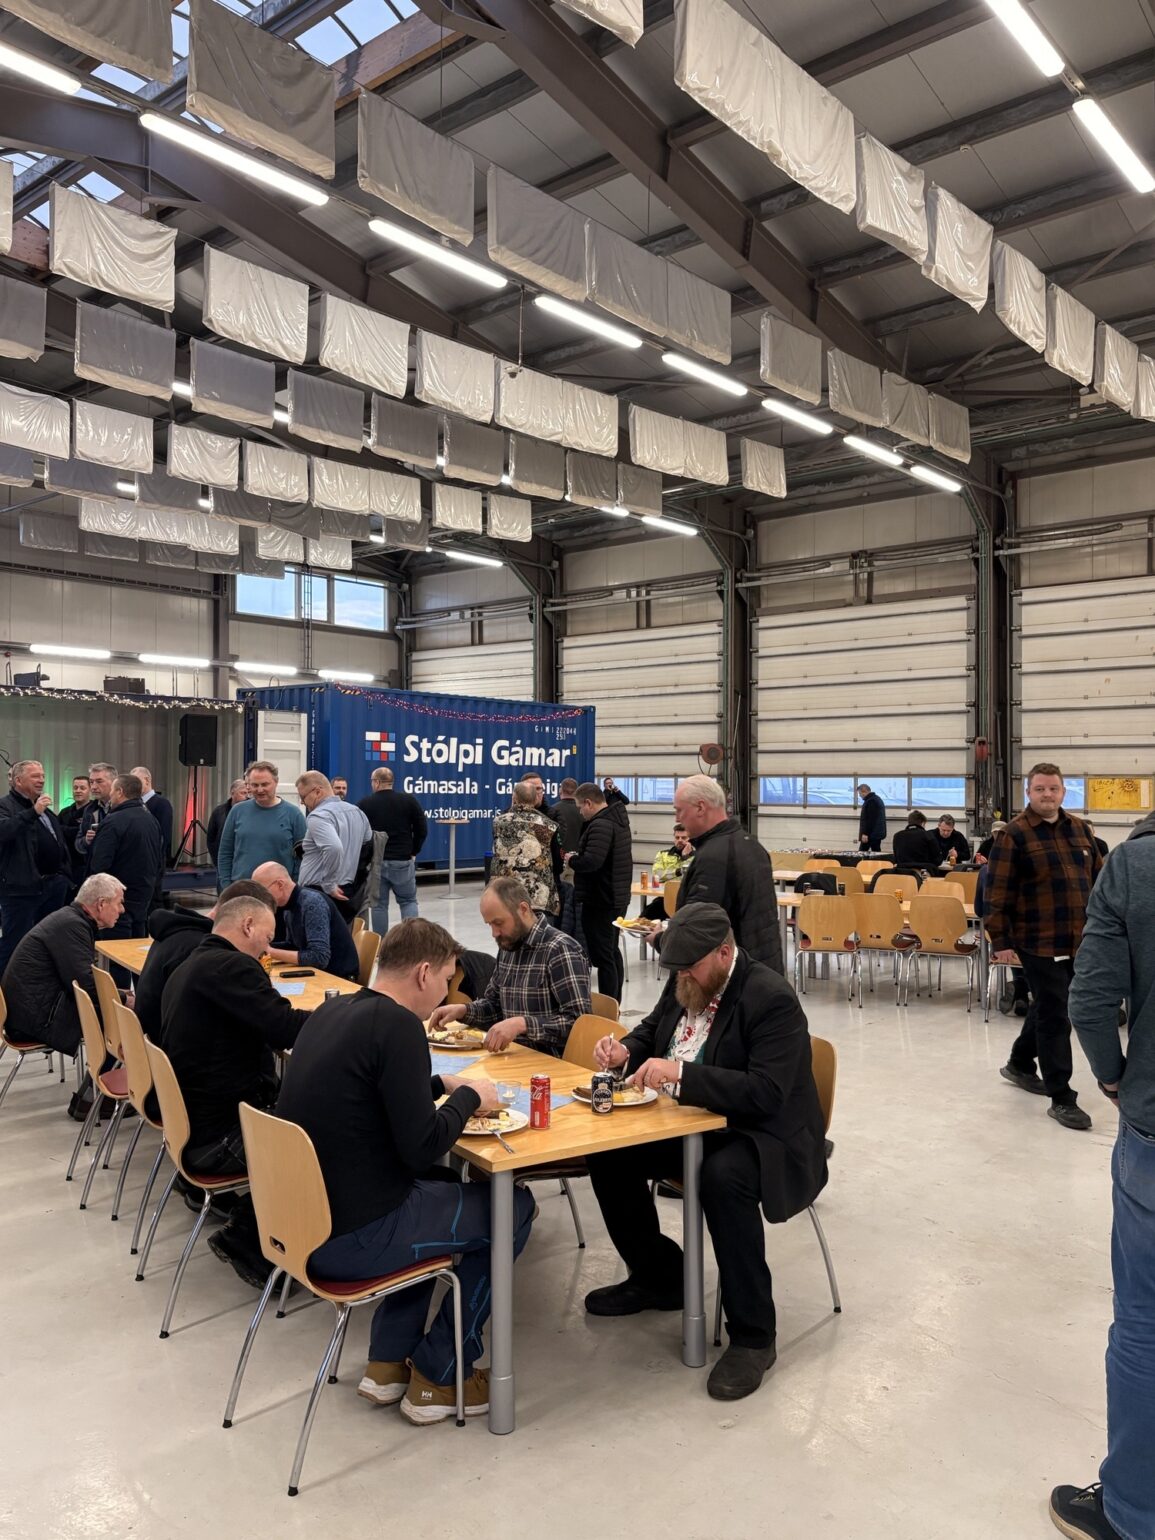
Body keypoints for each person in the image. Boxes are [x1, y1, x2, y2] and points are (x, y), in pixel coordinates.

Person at [277, 918, 535, 1424]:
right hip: (353, 1238)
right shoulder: (398, 1027)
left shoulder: (334, 1011)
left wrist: (438, 1084)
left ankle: (388, 1363)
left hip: (301, 1223)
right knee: (513, 1208)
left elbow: (368, 1092)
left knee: (440, 1186)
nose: (445, 993)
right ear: (423, 973)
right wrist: (468, 1097)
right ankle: (442, 1374)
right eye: (446, 980)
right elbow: (422, 1147)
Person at [584, 902, 827, 1402]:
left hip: (762, 1134)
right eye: (676, 968)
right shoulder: (689, 979)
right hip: (689, 1121)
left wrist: (683, 1075)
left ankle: (754, 1334)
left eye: (690, 966)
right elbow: (654, 1029)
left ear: (724, 952)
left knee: (722, 1178)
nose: (682, 976)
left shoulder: (770, 998)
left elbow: (766, 1093)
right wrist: (626, 1049)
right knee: (608, 1152)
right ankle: (659, 1277)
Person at [1052, 811, 1155, 1540]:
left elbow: (1089, 1001)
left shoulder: (1135, 863)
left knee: (1146, 1324)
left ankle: (1132, 1512)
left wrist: (1114, 1078)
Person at [162, 895, 311, 1286]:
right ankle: (249, 1236)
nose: (266, 950)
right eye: (267, 938)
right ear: (247, 925)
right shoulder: (232, 967)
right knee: (325, 1136)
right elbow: (286, 1028)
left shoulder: (190, 965)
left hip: (189, 1130)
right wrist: (343, 1017)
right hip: (220, 1139)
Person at [984, 762, 1102, 1131]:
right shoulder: (1013, 835)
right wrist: (1000, 941)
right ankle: (1062, 1096)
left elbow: (1099, 882)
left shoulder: (1080, 830)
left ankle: (1019, 1063)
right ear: (1029, 793)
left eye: (1053, 788)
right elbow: (997, 893)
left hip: (1078, 940)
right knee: (1056, 1014)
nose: (1047, 795)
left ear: (1063, 792)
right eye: (1039, 789)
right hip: (1036, 940)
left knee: (1052, 1004)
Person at [428, 876, 590, 1056]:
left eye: (498, 923)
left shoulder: (561, 950)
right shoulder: (509, 945)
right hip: (513, 1056)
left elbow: (579, 1026)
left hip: (550, 1063)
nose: (494, 933)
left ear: (523, 909)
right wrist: (463, 1010)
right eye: (489, 924)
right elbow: (494, 1006)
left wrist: (523, 1024)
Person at [648, 775, 783, 976]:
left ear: (700, 808)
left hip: (728, 978)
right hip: (762, 969)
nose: (677, 819)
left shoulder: (713, 858)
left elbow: (696, 931)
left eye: (679, 810)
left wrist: (659, 939)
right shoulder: (752, 845)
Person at [134, 880, 276, 1046]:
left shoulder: (176, 932)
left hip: (150, 1046)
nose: (265, 950)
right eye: (266, 936)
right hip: (169, 1050)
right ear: (246, 921)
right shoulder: (202, 951)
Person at [1, 872, 125, 1056]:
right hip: (34, 1021)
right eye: (119, 903)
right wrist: (123, 999)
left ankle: (105, 1070)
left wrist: (119, 995)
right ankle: (110, 1071)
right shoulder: (72, 925)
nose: (122, 910)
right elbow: (85, 985)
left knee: (117, 1010)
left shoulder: (69, 919)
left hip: (27, 1013)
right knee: (125, 1018)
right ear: (101, 904)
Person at [0, 759, 74, 975]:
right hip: (20, 890)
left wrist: (64, 875)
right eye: (35, 776)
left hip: (52, 885)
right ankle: (6, 988)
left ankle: (37, 982)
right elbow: (4, 831)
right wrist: (33, 812)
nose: (41, 780)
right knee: (15, 942)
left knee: (47, 942)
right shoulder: (5, 806)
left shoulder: (45, 810)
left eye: (42, 776)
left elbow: (58, 840)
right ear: (18, 780)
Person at [567, 780, 632, 1001]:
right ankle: (615, 1003)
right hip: (615, 897)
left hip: (601, 900)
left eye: (580, 807)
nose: (580, 812)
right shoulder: (618, 819)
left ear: (588, 803)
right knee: (612, 952)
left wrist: (572, 860)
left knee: (604, 958)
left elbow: (592, 861)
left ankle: (608, 1006)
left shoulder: (600, 824)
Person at [88, 773, 164, 943]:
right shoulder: (151, 820)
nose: (110, 795)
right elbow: (160, 859)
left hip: (117, 901)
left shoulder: (113, 821)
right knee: (136, 950)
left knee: (115, 950)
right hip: (143, 898)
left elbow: (99, 864)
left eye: (112, 791)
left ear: (120, 792)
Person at [252, 861, 359, 980]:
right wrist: (260, 944)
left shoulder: (312, 903)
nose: (259, 898)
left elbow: (319, 958)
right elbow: (294, 946)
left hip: (339, 978)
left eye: (262, 892)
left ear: (280, 885)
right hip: (319, 974)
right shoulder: (289, 905)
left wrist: (269, 951)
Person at [358, 766, 427, 934]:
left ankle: (381, 944)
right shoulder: (409, 801)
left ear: (376, 782)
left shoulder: (365, 804)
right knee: (408, 901)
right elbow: (422, 829)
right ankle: (412, 941)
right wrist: (414, 850)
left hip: (377, 863)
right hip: (402, 860)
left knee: (379, 905)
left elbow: (359, 834)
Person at [296, 770, 372, 922]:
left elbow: (333, 848)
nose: (302, 803)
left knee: (317, 936)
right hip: (346, 890)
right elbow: (368, 841)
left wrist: (329, 884)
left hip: (319, 891)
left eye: (303, 797)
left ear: (317, 791)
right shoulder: (357, 812)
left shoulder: (318, 815)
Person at [216, 761, 305, 886]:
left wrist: (294, 887)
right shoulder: (237, 811)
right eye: (255, 785)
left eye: (265, 784)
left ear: (276, 782)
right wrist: (226, 886)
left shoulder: (294, 815)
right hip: (243, 888)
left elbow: (302, 858)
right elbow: (225, 852)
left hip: (279, 890)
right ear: (248, 785)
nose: (260, 789)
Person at [490, 781, 560, 918]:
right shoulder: (550, 825)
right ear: (536, 799)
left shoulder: (498, 822)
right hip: (538, 896)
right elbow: (557, 861)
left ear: (514, 797)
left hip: (505, 891)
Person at [642, 824, 694, 924]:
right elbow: (658, 876)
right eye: (677, 837)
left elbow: (691, 877)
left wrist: (685, 858)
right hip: (666, 899)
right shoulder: (662, 854)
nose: (680, 840)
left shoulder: (698, 856)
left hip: (688, 901)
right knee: (644, 919)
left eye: (684, 838)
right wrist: (678, 871)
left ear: (690, 839)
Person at [74, 762, 116, 875]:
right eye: (91, 782)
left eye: (99, 781)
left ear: (113, 782)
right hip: (95, 872)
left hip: (119, 873)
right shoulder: (89, 810)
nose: (93, 787)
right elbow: (78, 843)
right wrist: (86, 841)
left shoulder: (123, 808)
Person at [131, 766, 174, 868]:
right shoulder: (133, 804)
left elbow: (164, 835)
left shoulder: (162, 803)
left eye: (136, 782)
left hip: (153, 861)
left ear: (147, 780)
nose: (133, 786)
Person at [207, 779, 249, 870]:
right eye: (243, 793)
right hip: (224, 862)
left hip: (245, 863)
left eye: (248, 793)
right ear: (232, 793)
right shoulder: (219, 812)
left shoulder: (252, 811)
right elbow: (211, 838)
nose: (246, 796)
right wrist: (217, 861)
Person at [58, 774, 92, 885]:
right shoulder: (64, 812)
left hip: (85, 864)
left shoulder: (94, 811)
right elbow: (56, 832)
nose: (78, 791)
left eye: (82, 788)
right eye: (75, 788)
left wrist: (64, 830)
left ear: (90, 790)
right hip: (66, 865)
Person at [550, 777, 584, 857]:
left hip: (558, 857)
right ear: (577, 792)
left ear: (560, 790)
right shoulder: (585, 810)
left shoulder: (552, 810)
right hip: (581, 857)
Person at [856, 784, 886, 853]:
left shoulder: (871, 801)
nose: (860, 796)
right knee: (876, 852)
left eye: (860, 793)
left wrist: (865, 833)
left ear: (864, 791)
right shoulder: (876, 799)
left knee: (861, 853)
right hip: (875, 834)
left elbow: (871, 820)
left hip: (871, 834)